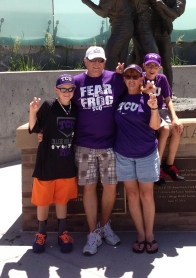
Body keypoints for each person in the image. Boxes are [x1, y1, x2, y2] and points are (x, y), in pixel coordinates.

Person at [72, 45, 126, 255]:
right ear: (85, 61)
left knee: (111, 187)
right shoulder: (76, 83)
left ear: (105, 62)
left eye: (100, 61)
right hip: (84, 145)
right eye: (92, 60)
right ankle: (92, 232)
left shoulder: (115, 79)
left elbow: (134, 90)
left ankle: (105, 226)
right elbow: (63, 107)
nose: (97, 64)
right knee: (88, 188)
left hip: (110, 145)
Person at [28, 74, 78, 254]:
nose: (67, 92)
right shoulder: (49, 106)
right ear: (56, 90)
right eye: (63, 89)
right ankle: (41, 234)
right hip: (46, 163)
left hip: (65, 164)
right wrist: (32, 112)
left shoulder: (75, 108)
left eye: (70, 89)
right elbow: (34, 128)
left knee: (62, 201)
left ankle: (62, 233)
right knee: (43, 201)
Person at [114, 64, 160, 254]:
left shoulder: (147, 98)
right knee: (132, 196)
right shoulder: (119, 98)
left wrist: (155, 107)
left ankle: (150, 236)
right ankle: (140, 235)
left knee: (146, 195)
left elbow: (155, 126)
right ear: (124, 79)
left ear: (142, 78)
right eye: (128, 76)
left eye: (135, 76)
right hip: (124, 154)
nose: (131, 79)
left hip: (146, 153)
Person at [142, 53, 184, 186]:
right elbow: (139, 90)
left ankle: (169, 165)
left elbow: (168, 99)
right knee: (165, 129)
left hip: (161, 110)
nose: (152, 69)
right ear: (144, 66)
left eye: (155, 66)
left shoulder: (162, 78)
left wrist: (175, 118)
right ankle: (157, 167)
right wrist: (146, 91)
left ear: (159, 67)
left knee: (177, 129)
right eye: (149, 65)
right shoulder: (140, 78)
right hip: (148, 110)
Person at [81, 0, 134, 71]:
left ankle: (110, 81)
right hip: (124, 25)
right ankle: (122, 82)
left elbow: (103, 13)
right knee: (120, 58)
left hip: (122, 25)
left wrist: (88, 2)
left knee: (110, 55)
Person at [152, 0, 186, 91]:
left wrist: (161, 5)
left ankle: (168, 91)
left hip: (164, 33)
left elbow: (174, 13)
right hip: (149, 31)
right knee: (146, 59)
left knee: (166, 63)